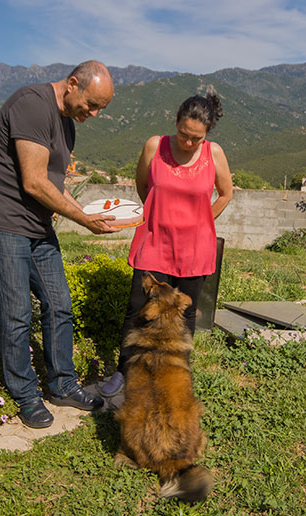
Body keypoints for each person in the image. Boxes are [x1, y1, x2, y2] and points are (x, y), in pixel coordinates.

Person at [0, 60, 120, 428]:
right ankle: (26, 394)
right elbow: (32, 181)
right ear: (72, 83)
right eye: (91, 104)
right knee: (16, 314)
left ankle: (62, 384)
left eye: (100, 109)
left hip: (35, 224)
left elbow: (54, 181)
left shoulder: (66, 123)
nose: (92, 113)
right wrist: (83, 220)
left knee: (59, 303)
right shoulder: (32, 104)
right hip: (1, 221)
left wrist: (89, 214)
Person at [100, 89, 233, 397]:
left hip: (195, 248)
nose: (188, 142)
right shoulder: (154, 146)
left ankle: (176, 375)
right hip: (154, 241)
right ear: (176, 122)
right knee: (139, 308)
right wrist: (158, 216)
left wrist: (204, 221)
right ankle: (124, 371)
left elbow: (226, 193)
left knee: (184, 313)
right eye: (184, 134)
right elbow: (143, 184)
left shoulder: (214, 154)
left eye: (195, 139)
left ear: (206, 134)